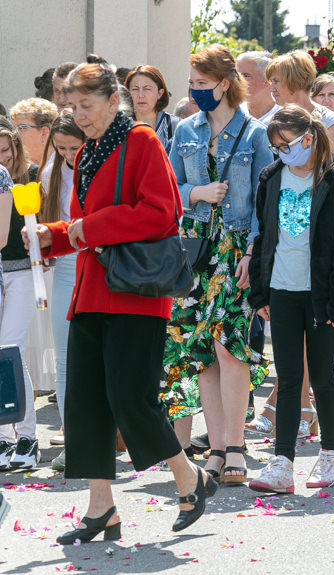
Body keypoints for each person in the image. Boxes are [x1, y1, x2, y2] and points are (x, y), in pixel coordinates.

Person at [29, 62, 216, 542]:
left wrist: (89, 228)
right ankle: (101, 509)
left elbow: (162, 213)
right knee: (86, 402)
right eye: (72, 107)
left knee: (130, 399)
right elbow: (79, 227)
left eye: (86, 106)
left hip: (136, 294)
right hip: (91, 291)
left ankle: (190, 478)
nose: (79, 116)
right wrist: (42, 237)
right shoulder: (88, 152)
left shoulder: (142, 141)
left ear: (114, 101)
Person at [162, 45, 271, 486]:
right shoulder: (184, 130)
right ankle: (218, 450)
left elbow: (267, 199)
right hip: (195, 250)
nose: (194, 91)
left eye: (202, 84)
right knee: (203, 353)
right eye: (192, 84)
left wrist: (252, 253)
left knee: (232, 348)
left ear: (225, 84)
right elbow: (168, 190)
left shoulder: (255, 133)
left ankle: (236, 446)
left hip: (237, 249)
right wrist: (197, 194)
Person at [247, 105, 334, 493]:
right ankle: (282, 463)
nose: (282, 153)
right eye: (276, 147)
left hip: (321, 295)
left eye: (288, 145)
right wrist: (260, 290)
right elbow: (264, 237)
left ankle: (330, 456)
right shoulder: (272, 177)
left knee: (322, 377)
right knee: (288, 377)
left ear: (309, 139)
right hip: (281, 291)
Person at [37, 110, 86, 470]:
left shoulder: (102, 165)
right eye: (61, 148)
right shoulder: (50, 172)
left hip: (104, 266)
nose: (68, 155)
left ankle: (111, 434)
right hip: (67, 266)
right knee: (65, 358)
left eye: (73, 147)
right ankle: (75, 437)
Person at [266, 51, 334, 178]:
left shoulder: (328, 120)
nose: (271, 88)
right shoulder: (276, 119)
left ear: (294, 80)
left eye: (276, 81)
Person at [0, 119, 31, 470]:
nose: (2, 157)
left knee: (11, 349)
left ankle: (27, 435)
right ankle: (5, 437)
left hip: (22, 271)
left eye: (6, 149)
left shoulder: (29, 175)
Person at [124, 65, 178, 150]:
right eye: (135, 89)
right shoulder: (121, 127)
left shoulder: (176, 126)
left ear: (160, 93)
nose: (140, 95)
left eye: (147, 89)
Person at [9, 98, 58, 168]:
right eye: (14, 129)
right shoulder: (14, 169)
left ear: (44, 133)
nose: (14, 135)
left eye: (22, 128)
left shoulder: (65, 166)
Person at [236, 51, 280, 126]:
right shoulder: (235, 113)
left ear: (267, 80)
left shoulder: (284, 117)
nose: (237, 80)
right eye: (236, 75)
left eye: (246, 76)